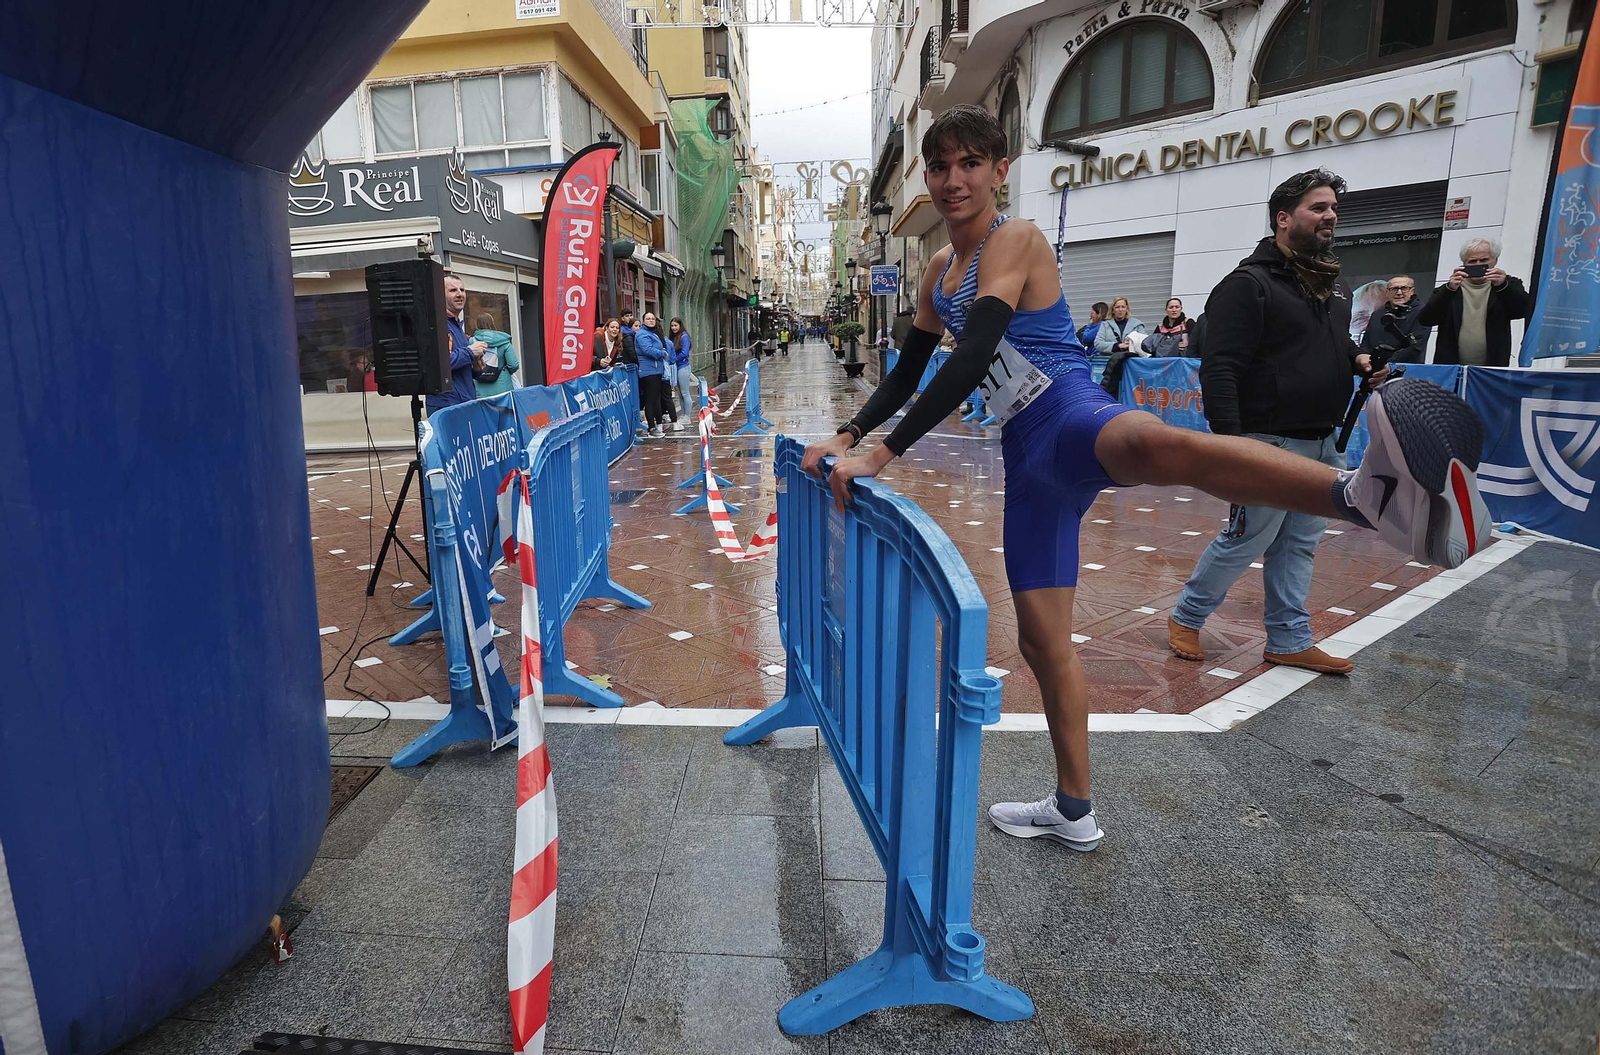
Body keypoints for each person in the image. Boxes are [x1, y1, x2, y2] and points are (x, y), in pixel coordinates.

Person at [804, 105, 1491, 854]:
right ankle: (1073, 806)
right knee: (1042, 641)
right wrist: (845, 433)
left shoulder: (1018, 239)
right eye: (939, 167)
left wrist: (881, 453)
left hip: (1068, 414)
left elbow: (971, 361)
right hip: (1026, 466)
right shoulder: (939, 270)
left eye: (971, 163)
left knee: (1158, 442)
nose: (952, 180)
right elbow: (911, 366)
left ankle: (1363, 495)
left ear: (1002, 170)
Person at [1167, 168, 1399, 678]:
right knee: (1247, 538)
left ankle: (1289, 639)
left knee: (1300, 542)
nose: (1330, 216)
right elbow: (1220, 367)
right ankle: (1186, 617)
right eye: (1318, 208)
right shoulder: (1248, 285)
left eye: (1333, 208)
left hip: (1323, 443)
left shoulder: (1330, 288)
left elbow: (1336, 345)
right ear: (1283, 218)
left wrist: (1360, 361)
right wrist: (1232, 448)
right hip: (1266, 442)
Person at [1417, 239, 1532, 367]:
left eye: (1484, 261)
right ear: (1464, 264)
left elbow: (1523, 311)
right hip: (1451, 367)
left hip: (1492, 366)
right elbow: (1426, 319)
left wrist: (1502, 286)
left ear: (1495, 260)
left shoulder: (1509, 284)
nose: (1478, 265)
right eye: (1472, 261)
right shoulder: (1449, 289)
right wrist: (1449, 290)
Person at [427, 275, 487, 413]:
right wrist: (470, 352)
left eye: (462, 289)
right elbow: (439, 363)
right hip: (448, 406)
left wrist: (476, 369)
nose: (460, 294)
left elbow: (459, 371)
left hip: (464, 403)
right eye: (453, 290)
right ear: (440, 295)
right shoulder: (437, 325)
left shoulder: (457, 325)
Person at [1360, 275, 1431, 363]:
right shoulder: (1377, 314)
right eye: (1394, 289)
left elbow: (1416, 347)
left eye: (1404, 288)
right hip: (1374, 368)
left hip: (1406, 369)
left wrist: (1386, 362)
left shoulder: (1422, 313)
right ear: (1387, 293)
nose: (1399, 292)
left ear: (1412, 291)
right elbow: (1366, 343)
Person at [634, 311, 671, 437]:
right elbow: (647, 350)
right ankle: (651, 428)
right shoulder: (642, 334)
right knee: (650, 400)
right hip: (649, 371)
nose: (651, 320)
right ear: (643, 321)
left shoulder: (652, 333)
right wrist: (662, 353)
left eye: (653, 319)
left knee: (656, 399)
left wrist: (662, 351)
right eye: (648, 319)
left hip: (657, 370)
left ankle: (656, 426)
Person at [471, 312, 519, 397]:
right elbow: (514, 365)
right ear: (492, 323)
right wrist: (504, 371)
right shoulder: (504, 341)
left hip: (480, 389)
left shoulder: (472, 342)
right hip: (503, 388)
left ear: (477, 325)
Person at [669, 318, 696, 427]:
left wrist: (673, 359)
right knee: (680, 393)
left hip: (683, 367)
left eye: (675, 325)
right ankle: (684, 414)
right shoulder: (675, 337)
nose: (674, 328)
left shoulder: (684, 337)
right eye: (672, 326)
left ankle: (687, 416)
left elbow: (685, 353)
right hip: (678, 367)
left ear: (680, 325)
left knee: (685, 393)